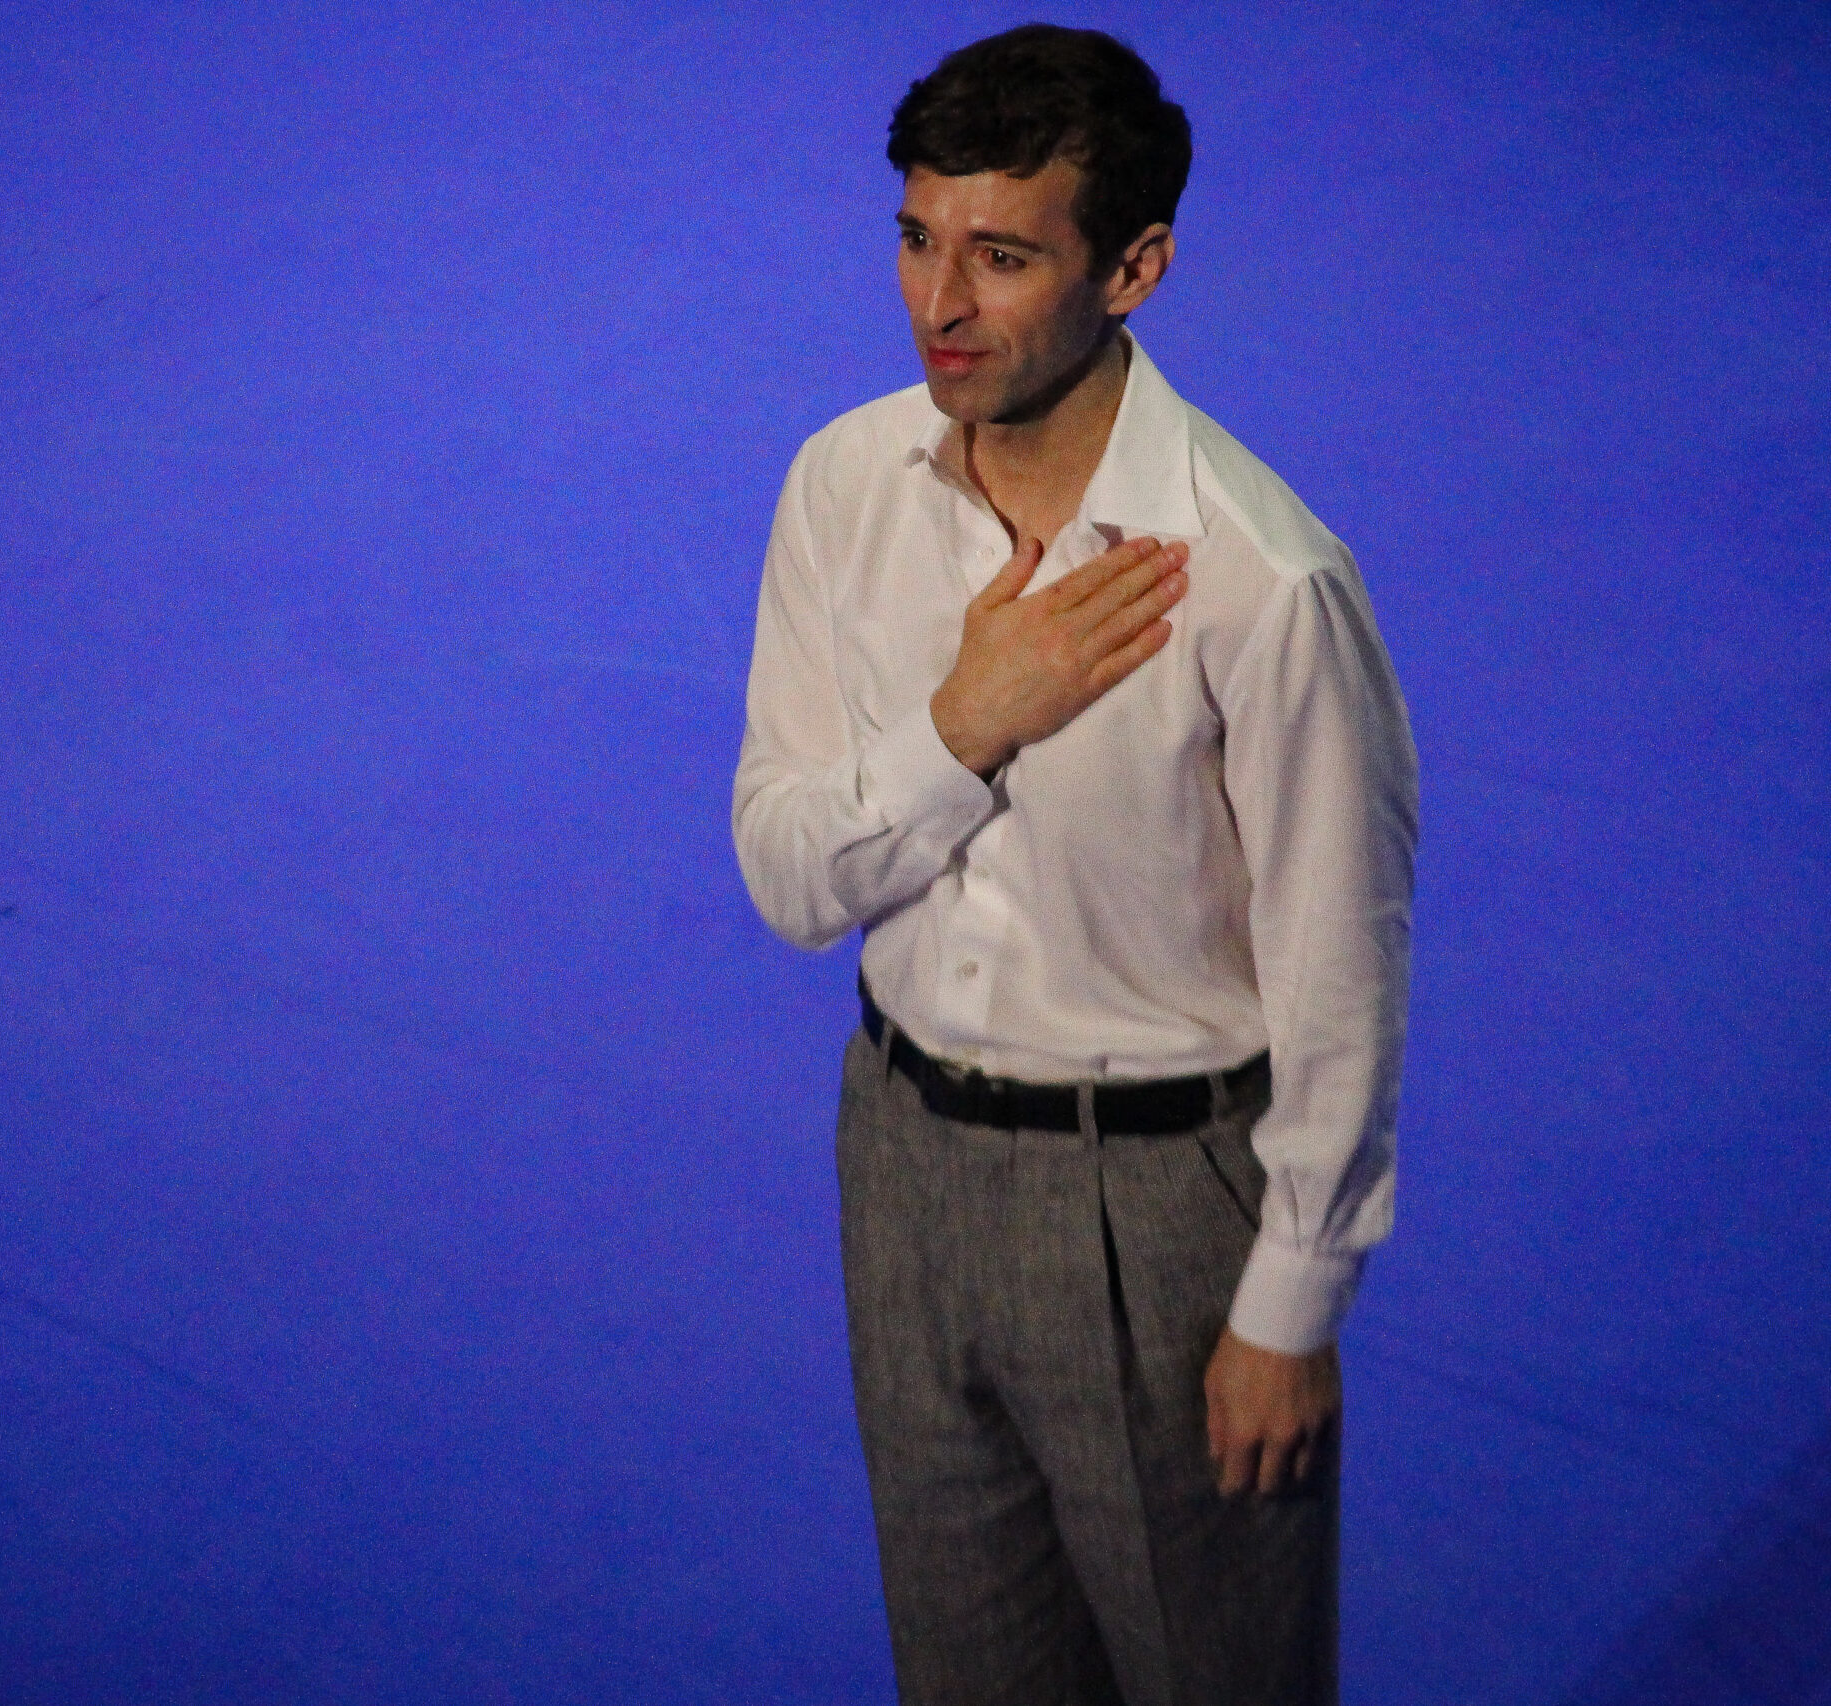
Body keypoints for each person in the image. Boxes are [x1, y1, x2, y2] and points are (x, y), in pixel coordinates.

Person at [730, 24, 1416, 1706]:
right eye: (917, 237)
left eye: (1003, 256)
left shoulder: (1263, 582)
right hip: (901, 1164)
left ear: (1136, 268)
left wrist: (1292, 1301)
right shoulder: (841, 486)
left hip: (1161, 1218)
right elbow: (789, 874)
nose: (938, 304)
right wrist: (965, 724)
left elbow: (1341, 973)